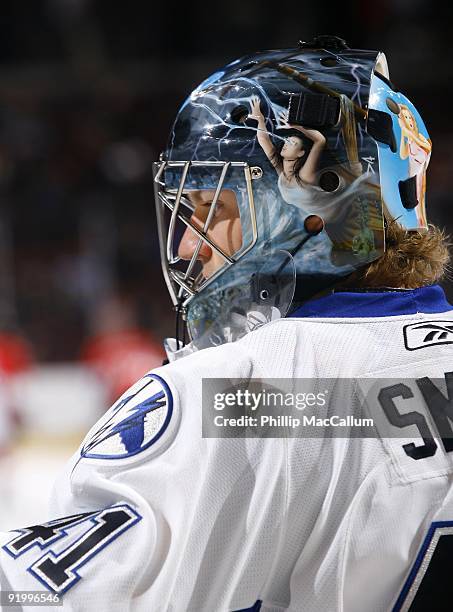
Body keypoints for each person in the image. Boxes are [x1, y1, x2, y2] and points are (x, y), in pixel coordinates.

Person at [0, 35, 451, 612]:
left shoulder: (241, 394)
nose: (189, 244)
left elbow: (52, 599)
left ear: (309, 211)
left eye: (212, 210)